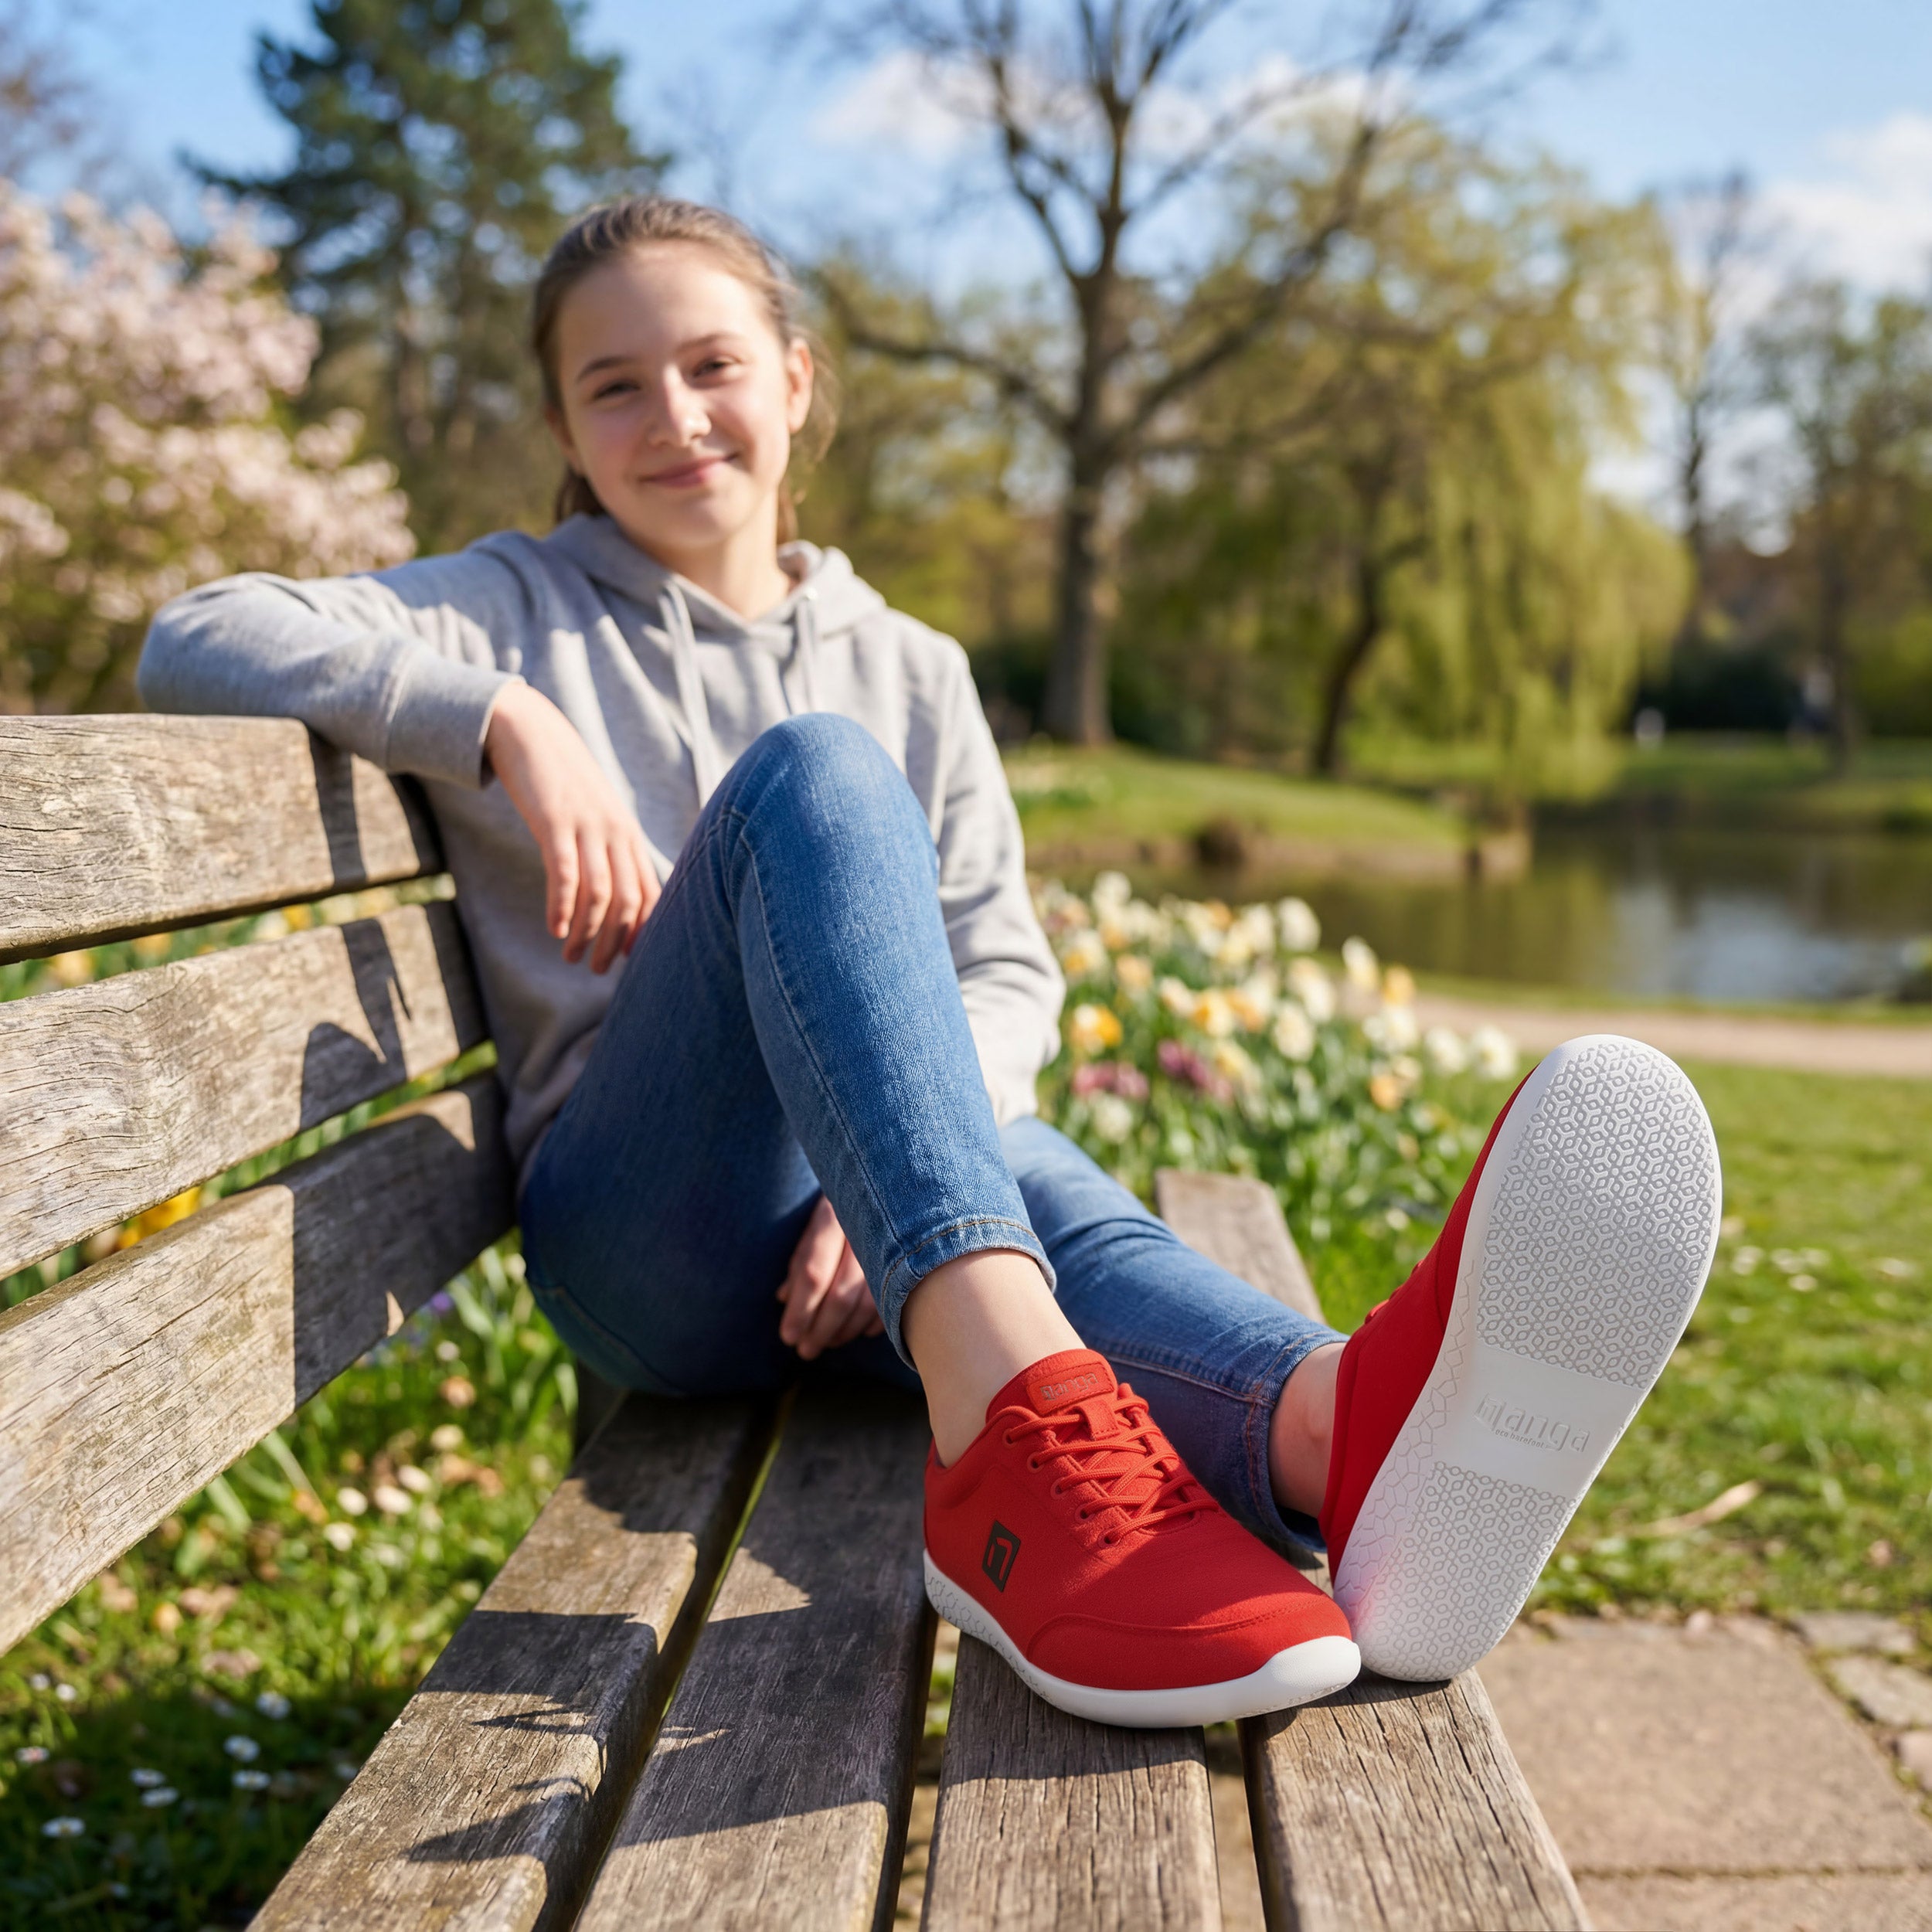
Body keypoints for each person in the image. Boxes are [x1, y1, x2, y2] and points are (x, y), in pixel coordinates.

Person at [139, 196, 1722, 1726]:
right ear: (563, 429)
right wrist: (497, 717)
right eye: (609, 386)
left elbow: (1004, 970)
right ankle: (1020, 1452)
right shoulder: (508, 609)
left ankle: (1332, 1431)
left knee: (1004, 1155)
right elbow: (196, 631)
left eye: (710, 366)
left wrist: (880, 1177)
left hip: (883, 1256)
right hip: (647, 1250)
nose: (671, 415)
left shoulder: (914, 663)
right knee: (817, 781)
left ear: (795, 379)